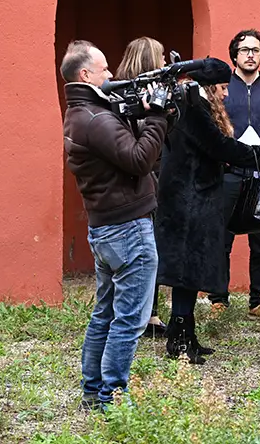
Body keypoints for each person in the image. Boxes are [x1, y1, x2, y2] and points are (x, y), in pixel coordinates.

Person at [60, 40, 167, 409]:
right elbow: (139, 159)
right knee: (129, 319)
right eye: (104, 68)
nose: (112, 74)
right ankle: (112, 398)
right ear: (85, 74)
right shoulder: (96, 119)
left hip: (105, 226)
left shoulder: (81, 113)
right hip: (127, 227)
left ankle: (92, 390)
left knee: (104, 312)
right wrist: (157, 117)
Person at [155, 58, 260, 363]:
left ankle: (185, 334)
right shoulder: (194, 110)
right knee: (186, 270)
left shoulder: (190, 106)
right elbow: (219, 146)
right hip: (188, 199)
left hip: (193, 196)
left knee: (191, 269)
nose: (225, 94)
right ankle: (180, 340)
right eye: (221, 87)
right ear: (208, 87)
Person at [207, 29, 260, 320]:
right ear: (234, 55)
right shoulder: (221, 88)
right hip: (228, 174)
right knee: (222, 238)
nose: (250, 55)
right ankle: (218, 300)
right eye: (245, 50)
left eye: (255, 50)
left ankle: (259, 301)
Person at [114, 36, 168, 340]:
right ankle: (146, 314)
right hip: (145, 173)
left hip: (148, 172)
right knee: (146, 248)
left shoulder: (122, 91)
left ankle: (148, 311)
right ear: (149, 60)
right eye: (160, 58)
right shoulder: (131, 96)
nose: (164, 64)